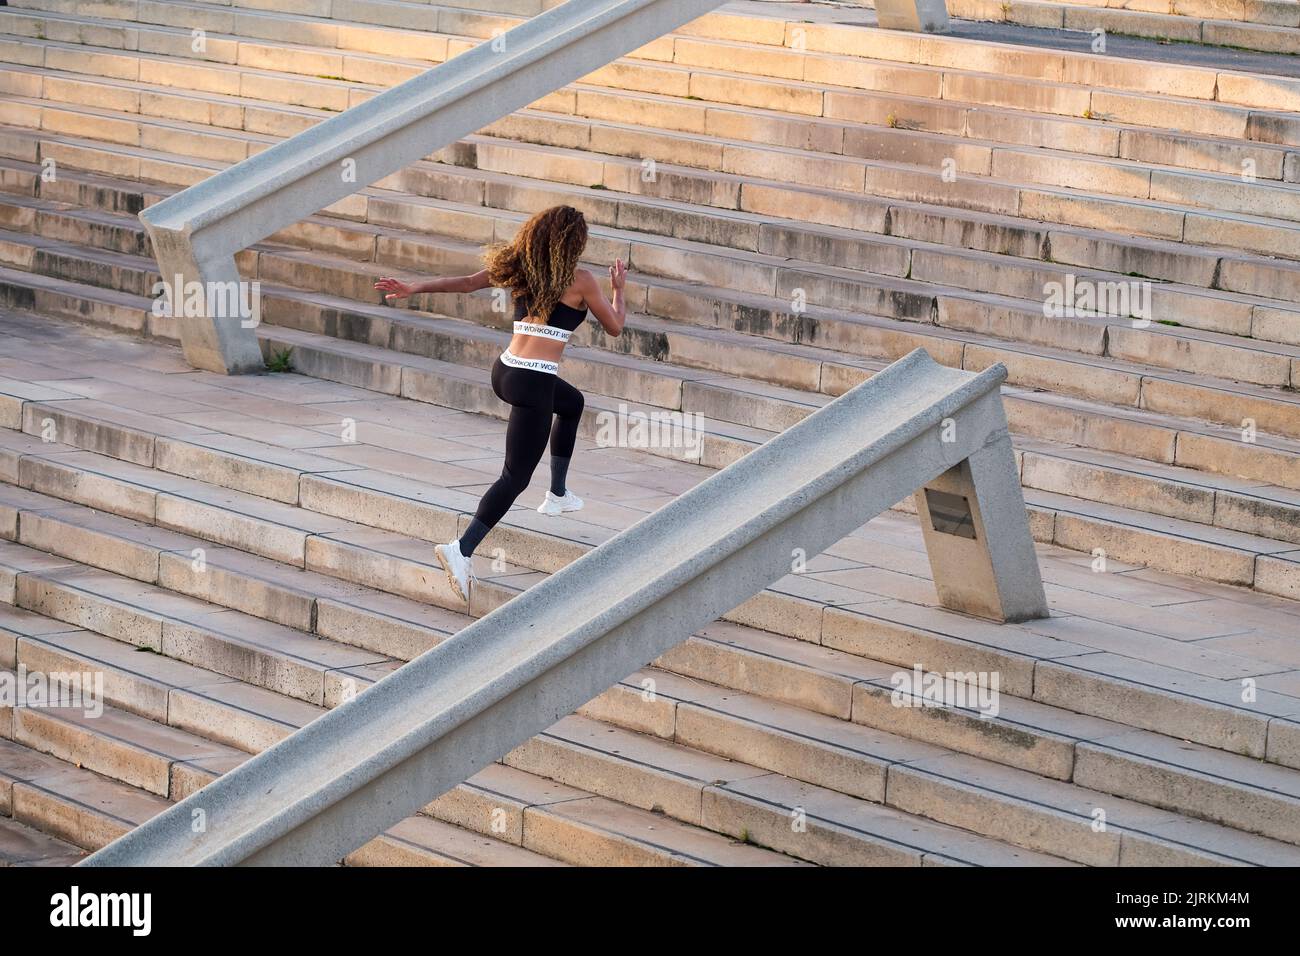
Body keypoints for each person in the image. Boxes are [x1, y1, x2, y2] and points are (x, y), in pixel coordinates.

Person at [373, 205, 627, 603]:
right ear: (574, 242)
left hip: (505, 371)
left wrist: (413, 287)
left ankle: (558, 495)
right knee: (515, 478)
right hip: (533, 382)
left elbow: (465, 283)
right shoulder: (581, 281)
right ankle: (461, 550)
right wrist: (618, 290)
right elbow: (615, 327)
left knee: (573, 402)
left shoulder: (519, 264)